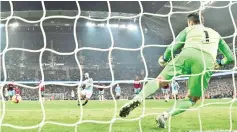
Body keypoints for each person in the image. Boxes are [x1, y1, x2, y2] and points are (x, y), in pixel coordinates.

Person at [119, 12, 234, 129]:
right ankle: (165, 115)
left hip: (187, 54)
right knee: (192, 98)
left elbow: (174, 46)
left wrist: (164, 58)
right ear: (202, 22)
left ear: (190, 22)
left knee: (160, 80)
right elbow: (231, 58)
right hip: (206, 61)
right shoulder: (216, 34)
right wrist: (220, 63)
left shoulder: (188, 29)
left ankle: (137, 98)